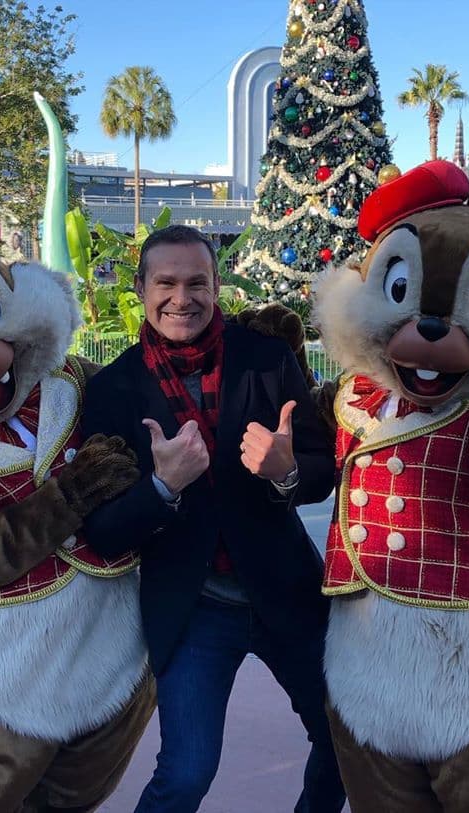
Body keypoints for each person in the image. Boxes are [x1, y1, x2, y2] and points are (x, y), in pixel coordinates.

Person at [82, 225, 346, 813]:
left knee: (343, 741)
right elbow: (100, 529)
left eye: (197, 281)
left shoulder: (268, 362)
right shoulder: (113, 389)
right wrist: (161, 488)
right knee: (186, 775)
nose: (183, 297)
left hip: (285, 593)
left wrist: (284, 470)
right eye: (166, 282)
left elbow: (321, 469)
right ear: (141, 288)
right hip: (193, 606)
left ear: (216, 285)